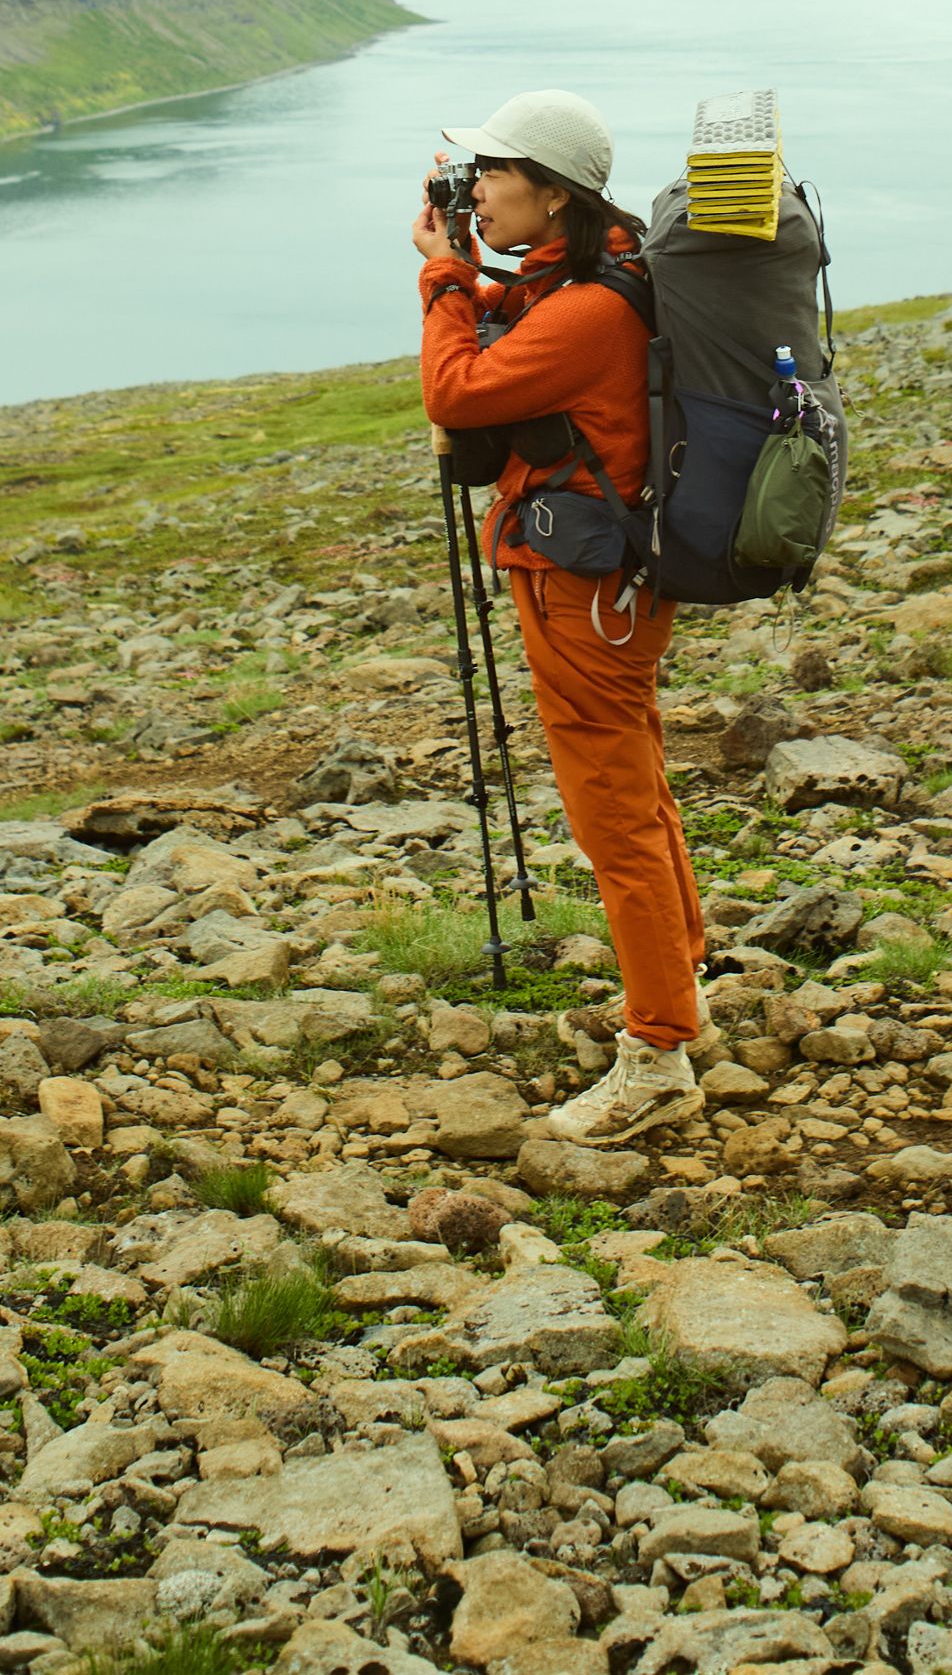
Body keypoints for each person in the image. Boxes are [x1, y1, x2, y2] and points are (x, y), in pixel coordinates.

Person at [411, 88, 712, 1147]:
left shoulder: (588, 309)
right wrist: (473, 267)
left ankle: (658, 1052)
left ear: (553, 190)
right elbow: (510, 333)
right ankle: (685, 981)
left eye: (492, 172)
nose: (474, 189)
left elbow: (454, 392)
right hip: (601, 586)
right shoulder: (595, 275)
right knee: (638, 785)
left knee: (613, 818)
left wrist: (444, 276)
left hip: (587, 594)